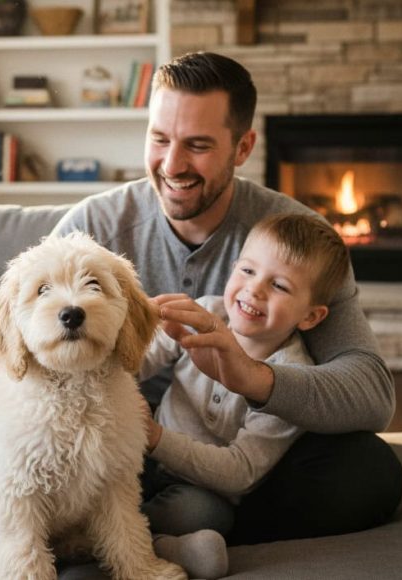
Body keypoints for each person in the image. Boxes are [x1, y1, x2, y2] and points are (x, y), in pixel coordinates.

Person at [52, 51, 402, 545]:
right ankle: (170, 532)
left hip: (232, 455)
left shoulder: (296, 243)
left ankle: (182, 526)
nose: (172, 165)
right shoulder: (94, 227)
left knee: (369, 471)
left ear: (243, 148)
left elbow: (371, 396)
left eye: (197, 145)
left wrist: (255, 379)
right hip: (108, 437)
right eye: (159, 139)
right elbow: (24, 341)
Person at [139, 213, 349, 577]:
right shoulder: (206, 311)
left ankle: (143, 547)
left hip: (202, 486)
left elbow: (241, 473)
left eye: (280, 286)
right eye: (248, 271)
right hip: (141, 455)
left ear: (311, 317)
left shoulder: (291, 381)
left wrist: (158, 439)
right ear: (233, 267)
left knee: (202, 515)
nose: (254, 290)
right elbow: (140, 360)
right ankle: (127, 536)